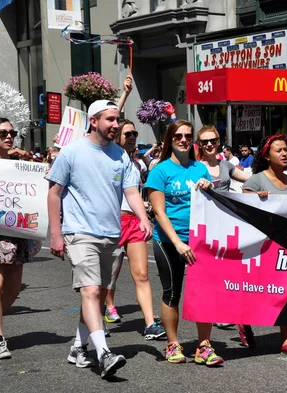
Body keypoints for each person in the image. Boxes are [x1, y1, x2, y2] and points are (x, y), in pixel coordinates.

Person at [47, 100, 152, 379]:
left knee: (97, 293)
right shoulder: (71, 153)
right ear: (94, 121)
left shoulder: (121, 156)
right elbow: (54, 193)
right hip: (80, 232)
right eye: (110, 120)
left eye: (117, 119)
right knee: (91, 291)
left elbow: (131, 193)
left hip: (111, 234)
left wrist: (143, 216)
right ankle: (104, 353)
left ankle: (78, 346)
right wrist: (56, 235)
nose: (116, 125)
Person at [145, 120, 224, 366]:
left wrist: (208, 186)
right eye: (178, 136)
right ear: (171, 139)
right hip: (169, 241)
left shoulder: (200, 168)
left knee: (204, 291)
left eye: (188, 136)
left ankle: (203, 346)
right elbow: (159, 212)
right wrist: (178, 243)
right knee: (172, 292)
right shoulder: (160, 170)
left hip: (199, 240)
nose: (183, 140)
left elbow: (209, 202)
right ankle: (173, 344)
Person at [238, 134, 287, 356]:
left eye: (286, 150)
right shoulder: (256, 180)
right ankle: (243, 319)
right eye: (279, 150)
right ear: (267, 156)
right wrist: (256, 197)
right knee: (257, 292)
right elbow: (243, 210)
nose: (285, 153)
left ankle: (286, 339)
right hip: (262, 247)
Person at [103, 120, 166, 340]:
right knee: (107, 275)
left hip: (134, 222)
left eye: (134, 133)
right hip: (111, 222)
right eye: (128, 133)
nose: (132, 137)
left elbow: (135, 194)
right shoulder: (108, 158)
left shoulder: (138, 164)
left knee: (141, 274)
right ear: (116, 135)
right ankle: (98, 316)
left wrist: (144, 214)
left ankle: (149, 323)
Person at [0, 118, 29, 359]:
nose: (9, 136)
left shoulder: (19, 164)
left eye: (12, 133)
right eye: (3, 132)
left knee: (14, 288)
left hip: (17, 232)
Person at [197, 126, 249, 191]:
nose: (209, 144)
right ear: (199, 144)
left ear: (218, 142)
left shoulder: (226, 165)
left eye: (213, 141)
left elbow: (249, 179)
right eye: (205, 142)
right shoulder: (195, 168)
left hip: (226, 201)